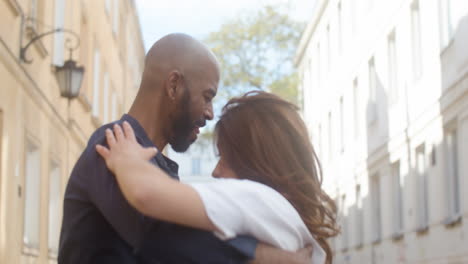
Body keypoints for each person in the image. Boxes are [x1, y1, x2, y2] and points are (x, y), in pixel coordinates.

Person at [58, 33, 312, 264]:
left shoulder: (151, 166)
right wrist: (265, 256)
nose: (210, 113)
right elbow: (166, 241)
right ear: (173, 86)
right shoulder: (115, 145)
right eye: (207, 96)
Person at [96, 91, 340, 264]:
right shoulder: (287, 218)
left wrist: (127, 160)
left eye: (223, 157)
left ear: (253, 159)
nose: (215, 172)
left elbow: (145, 194)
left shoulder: (257, 197)